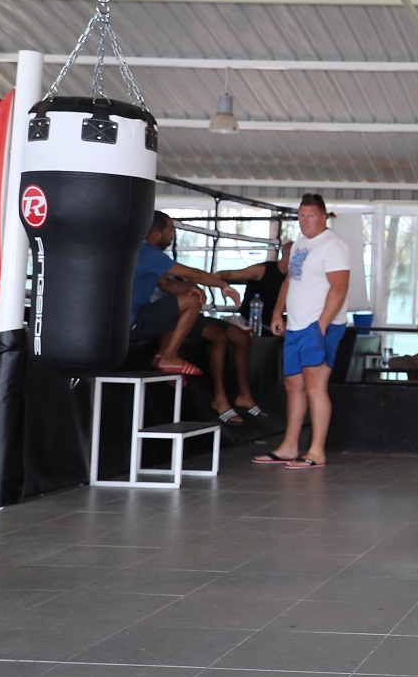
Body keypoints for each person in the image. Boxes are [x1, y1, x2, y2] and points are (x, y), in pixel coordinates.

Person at [130, 211, 267, 426]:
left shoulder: (145, 254)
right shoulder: (148, 254)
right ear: (156, 233)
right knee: (194, 306)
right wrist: (222, 285)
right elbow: (195, 273)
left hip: (140, 316)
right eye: (170, 230)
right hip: (133, 321)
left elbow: (167, 285)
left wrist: (190, 288)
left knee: (204, 311)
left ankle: (235, 395)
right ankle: (168, 356)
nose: (173, 235)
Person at [253, 193, 349, 470]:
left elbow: (340, 287)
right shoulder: (299, 245)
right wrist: (276, 312)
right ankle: (289, 446)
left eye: (310, 215)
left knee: (315, 385)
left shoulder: (333, 246)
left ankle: (317, 451)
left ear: (323, 217)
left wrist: (321, 325)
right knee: (293, 385)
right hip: (295, 325)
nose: (304, 220)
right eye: (301, 215)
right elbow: (289, 280)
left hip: (320, 326)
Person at [218, 240, 292, 335]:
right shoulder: (262, 270)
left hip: (275, 318)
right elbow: (230, 274)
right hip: (254, 319)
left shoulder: (293, 277)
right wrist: (217, 281)